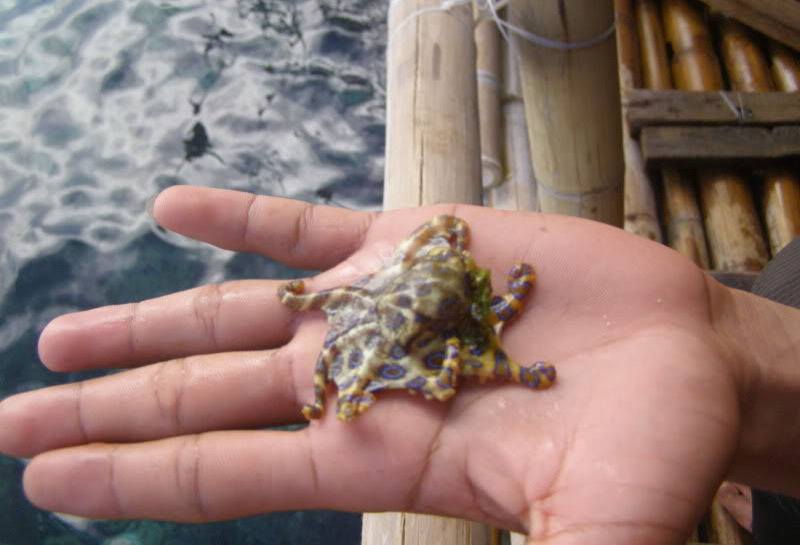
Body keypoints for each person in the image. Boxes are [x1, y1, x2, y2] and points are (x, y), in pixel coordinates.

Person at [1, 185, 799, 544]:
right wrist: (734, 336)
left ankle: (759, 455)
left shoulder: (461, 300)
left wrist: (724, 334)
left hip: (424, 316)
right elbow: (381, 304)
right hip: (401, 316)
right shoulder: (408, 290)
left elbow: (471, 327)